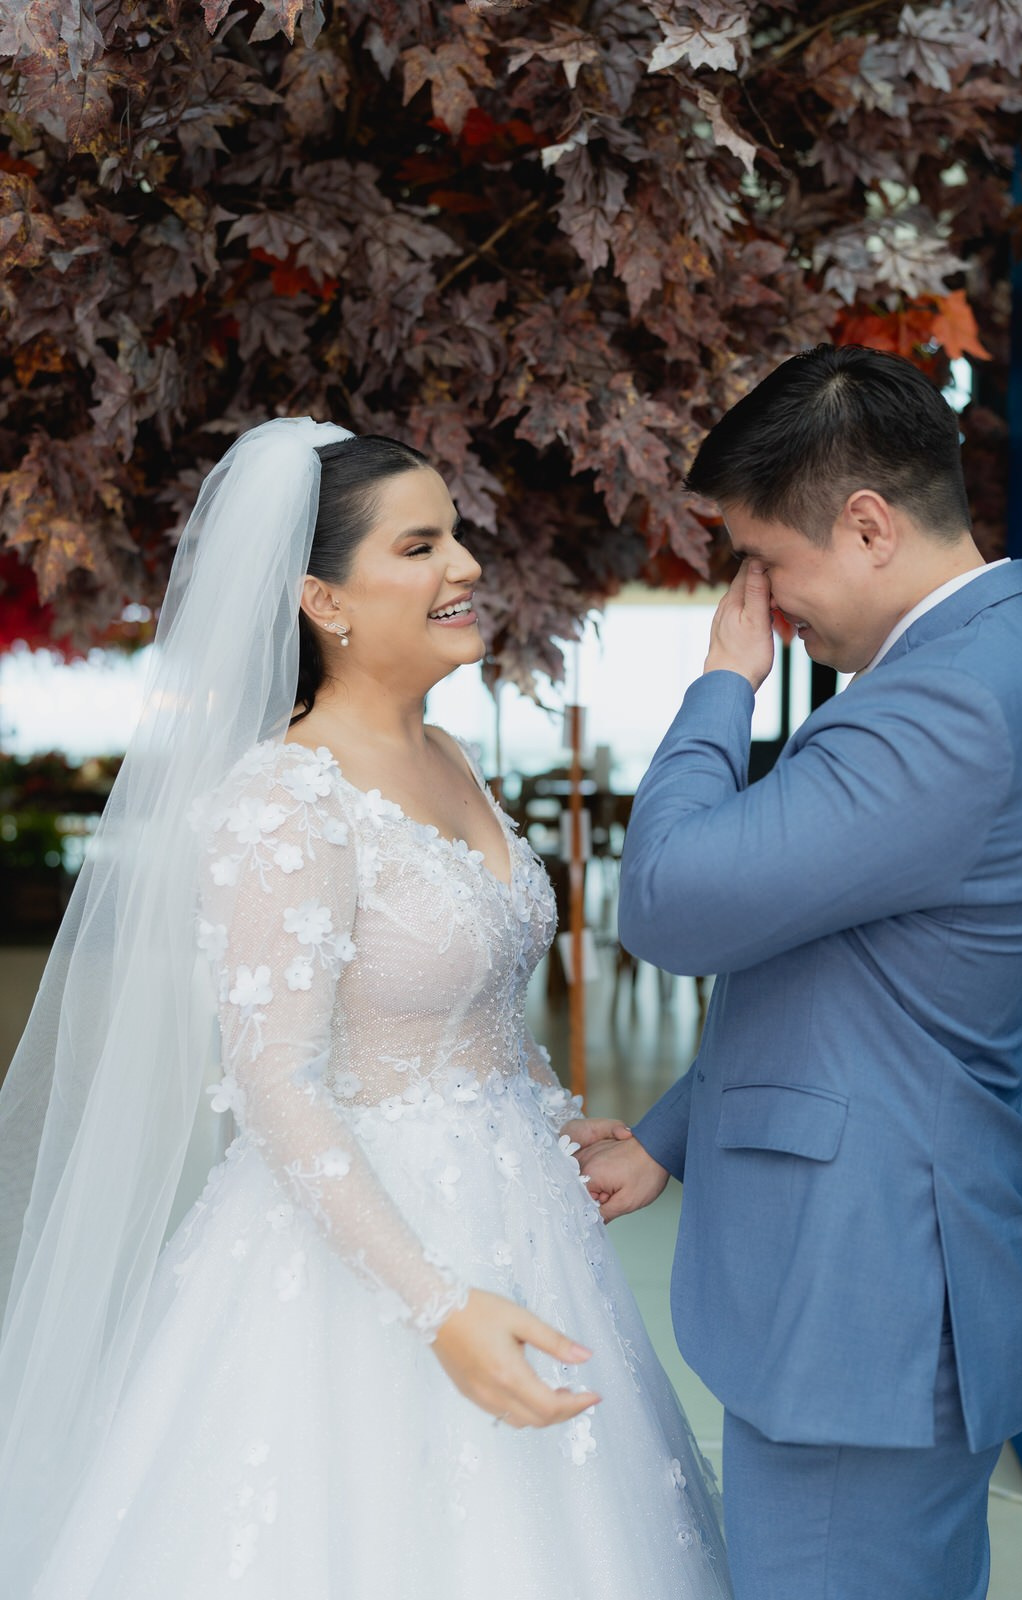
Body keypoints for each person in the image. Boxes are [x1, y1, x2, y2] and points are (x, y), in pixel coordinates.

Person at [0, 419, 730, 1598]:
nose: (466, 569)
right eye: (419, 545)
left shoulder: (453, 756)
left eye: (458, 538)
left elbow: (468, 1008)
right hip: (362, 1254)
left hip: (523, 1220)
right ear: (322, 602)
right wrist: (435, 1304)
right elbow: (277, 1084)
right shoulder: (284, 796)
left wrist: (541, 1119)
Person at [575, 345, 1022, 1600]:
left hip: (863, 1295)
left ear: (865, 526)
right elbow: (845, 975)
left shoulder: (943, 703)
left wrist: (716, 689)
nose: (768, 606)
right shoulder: (980, 665)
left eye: (768, 565)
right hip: (881, 1277)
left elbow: (674, 907)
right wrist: (673, 1133)